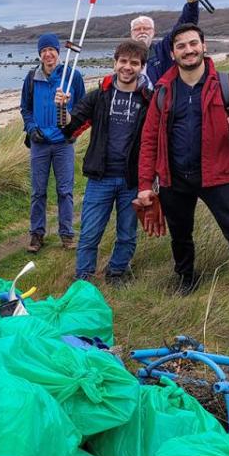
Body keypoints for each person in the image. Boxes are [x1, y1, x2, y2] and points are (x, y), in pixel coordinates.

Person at [135, 24, 229, 297]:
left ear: (204, 47)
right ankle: (186, 279)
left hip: (219, 176)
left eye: (193, 43)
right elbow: (149, 141)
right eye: (181, 46)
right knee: (180, 235)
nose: (188, 50)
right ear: (172, 53)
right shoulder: (162, 91)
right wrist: (146, 184)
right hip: (174, 177)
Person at [60, 39, 151, 283]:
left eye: (134, 63)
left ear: (142, 67)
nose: (127, 67)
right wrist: (62, 108)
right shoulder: (98, 96)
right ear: (115, 63)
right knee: (89, 233)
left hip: (132, 180)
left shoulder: (149, 99)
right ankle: (84, 278)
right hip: (100, 178)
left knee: (127, 234)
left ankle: (116, 273)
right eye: (123, 61)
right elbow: (70, 125)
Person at [21, 33, 85, 252]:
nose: (48, 54)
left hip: (63, 143)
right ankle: (37, 235)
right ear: (40, 54)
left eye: (52, 50)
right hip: (40, 143)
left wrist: (71, 127)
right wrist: (31, 129)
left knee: (65, 190)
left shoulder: (72, 76)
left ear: (58, 52)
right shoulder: (32, 78)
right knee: (38, 191)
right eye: (44, 50)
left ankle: (67, 235)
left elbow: (81, 109)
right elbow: (25, 109)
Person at [130, 0, 201, 87]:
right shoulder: (124, 54)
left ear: (153, 32)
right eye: (137, 29)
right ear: (131, 33)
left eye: (146, 28)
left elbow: (182, 28)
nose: (142, 32)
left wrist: (192, 5)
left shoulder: (163, 50)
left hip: (159, 100)